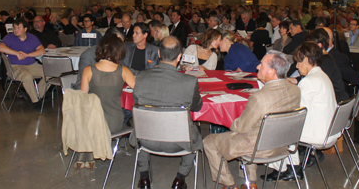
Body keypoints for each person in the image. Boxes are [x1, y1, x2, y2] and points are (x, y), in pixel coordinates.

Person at [204, 51, 301, 189]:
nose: (257, 67)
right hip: (284, 145)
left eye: (261, 65)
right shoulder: (295, 90)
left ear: (272, 71)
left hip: (260, 148)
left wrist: (228, 120)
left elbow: (241, 127)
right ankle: (251, 183)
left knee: (209, 141)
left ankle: (229, 185)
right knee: (253, 130)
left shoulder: (260, 97)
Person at [131, 36, 203, 189]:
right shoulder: (189, 82)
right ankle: (180, 178)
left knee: (141, 124)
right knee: (195, 134)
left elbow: (136, 102)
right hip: (179, 142)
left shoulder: (141, 77)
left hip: (146, 139)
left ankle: (144, 178)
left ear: (158, 54)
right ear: (179, 57)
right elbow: (197, 107)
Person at [264, 42, 338, 181]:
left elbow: (296, 112)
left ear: (307, 60)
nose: (297, 66)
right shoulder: (322, 76)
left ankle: (287, 168)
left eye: (298, 62)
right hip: (330, 129)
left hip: (319, 134)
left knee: (275, 127)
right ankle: (289, 167)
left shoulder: (309, 81)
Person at [80, 33, 136, 133]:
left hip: (93, 122)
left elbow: (82, 98)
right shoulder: (123, 71)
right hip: (114, 123)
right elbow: (139, 90)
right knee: (128, 111)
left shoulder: (88, 70)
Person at [0, 18, 47, 109]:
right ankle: (36, 102)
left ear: (25, 29)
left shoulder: (32, 37)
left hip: (32, 65)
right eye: (14, 28)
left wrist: (28, 55)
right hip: (15, 67)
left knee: (49, 74)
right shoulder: (9, 37)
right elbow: (0, 47)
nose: (15, 30)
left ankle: (35, 95)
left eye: (18, 28)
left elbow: (42, 50)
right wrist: (17, 53)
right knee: (26, 76)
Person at [304, 29, 349, 103]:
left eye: (309, 45)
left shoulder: (325, 61)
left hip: (334, 100)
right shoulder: (326, 58)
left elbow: (315, 81)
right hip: (333, 98)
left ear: (319, 45)